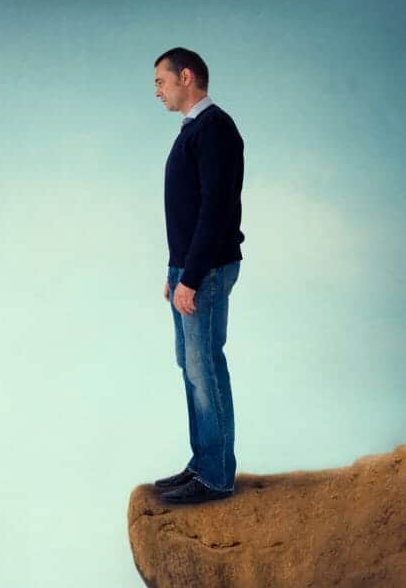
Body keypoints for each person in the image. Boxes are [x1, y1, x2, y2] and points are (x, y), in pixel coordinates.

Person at [151, 47, 245, 504]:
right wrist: (176, 269)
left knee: (205, 367)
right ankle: (202, 463)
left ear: (186, 76)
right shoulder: (194, 130)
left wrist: (191, 275)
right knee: (191, 367)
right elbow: (187, 209)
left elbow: (215, 210)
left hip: (205, 269)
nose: (157, 91)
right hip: (190, 267)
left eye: (161, 82)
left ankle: (216, 476)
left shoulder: (215, 129)